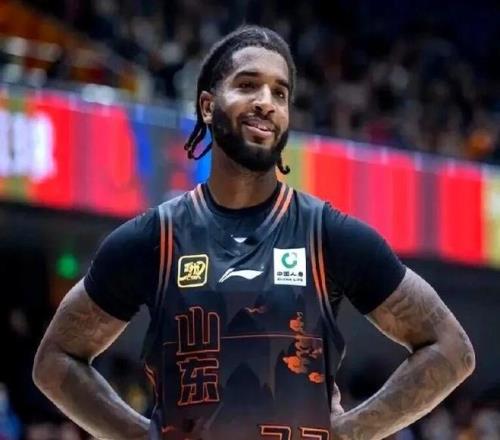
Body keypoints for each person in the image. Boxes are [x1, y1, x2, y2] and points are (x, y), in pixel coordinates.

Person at [32, 25, 475, 440]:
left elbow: (452, 349)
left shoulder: (328, 235)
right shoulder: (154, 238)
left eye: (280, 93)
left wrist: (351, 432)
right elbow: (55, 361)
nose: (267, 101)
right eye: (247, 85)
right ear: (208, 105)